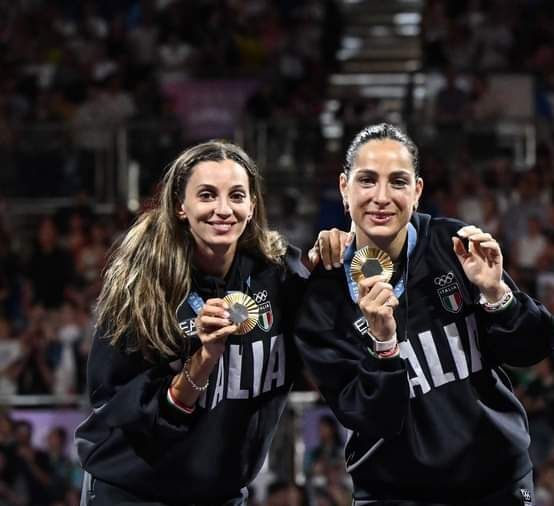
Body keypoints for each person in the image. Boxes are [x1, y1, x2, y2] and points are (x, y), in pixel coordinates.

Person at [295, 123, 554, 505]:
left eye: (397, 182)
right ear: (343, 189)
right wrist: (384, 347)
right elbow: (371, 417)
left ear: (416, 192)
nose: (381, 197)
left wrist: (497, 294)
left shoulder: (454, 245)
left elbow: (532, 349)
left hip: (495, 483)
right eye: (367, 181)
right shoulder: (321, 298)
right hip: (391, 493)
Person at [75, 140, 346, 506]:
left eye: (236, 195)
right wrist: (203, 360)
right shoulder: (142, 289)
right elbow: (115, 407)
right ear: (180, 206)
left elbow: (329, 342)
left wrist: (332, 260)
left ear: (252, 206)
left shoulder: (277, 276)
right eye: (207, 195)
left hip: (222, 494)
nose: (223, 209)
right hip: (134, 491)